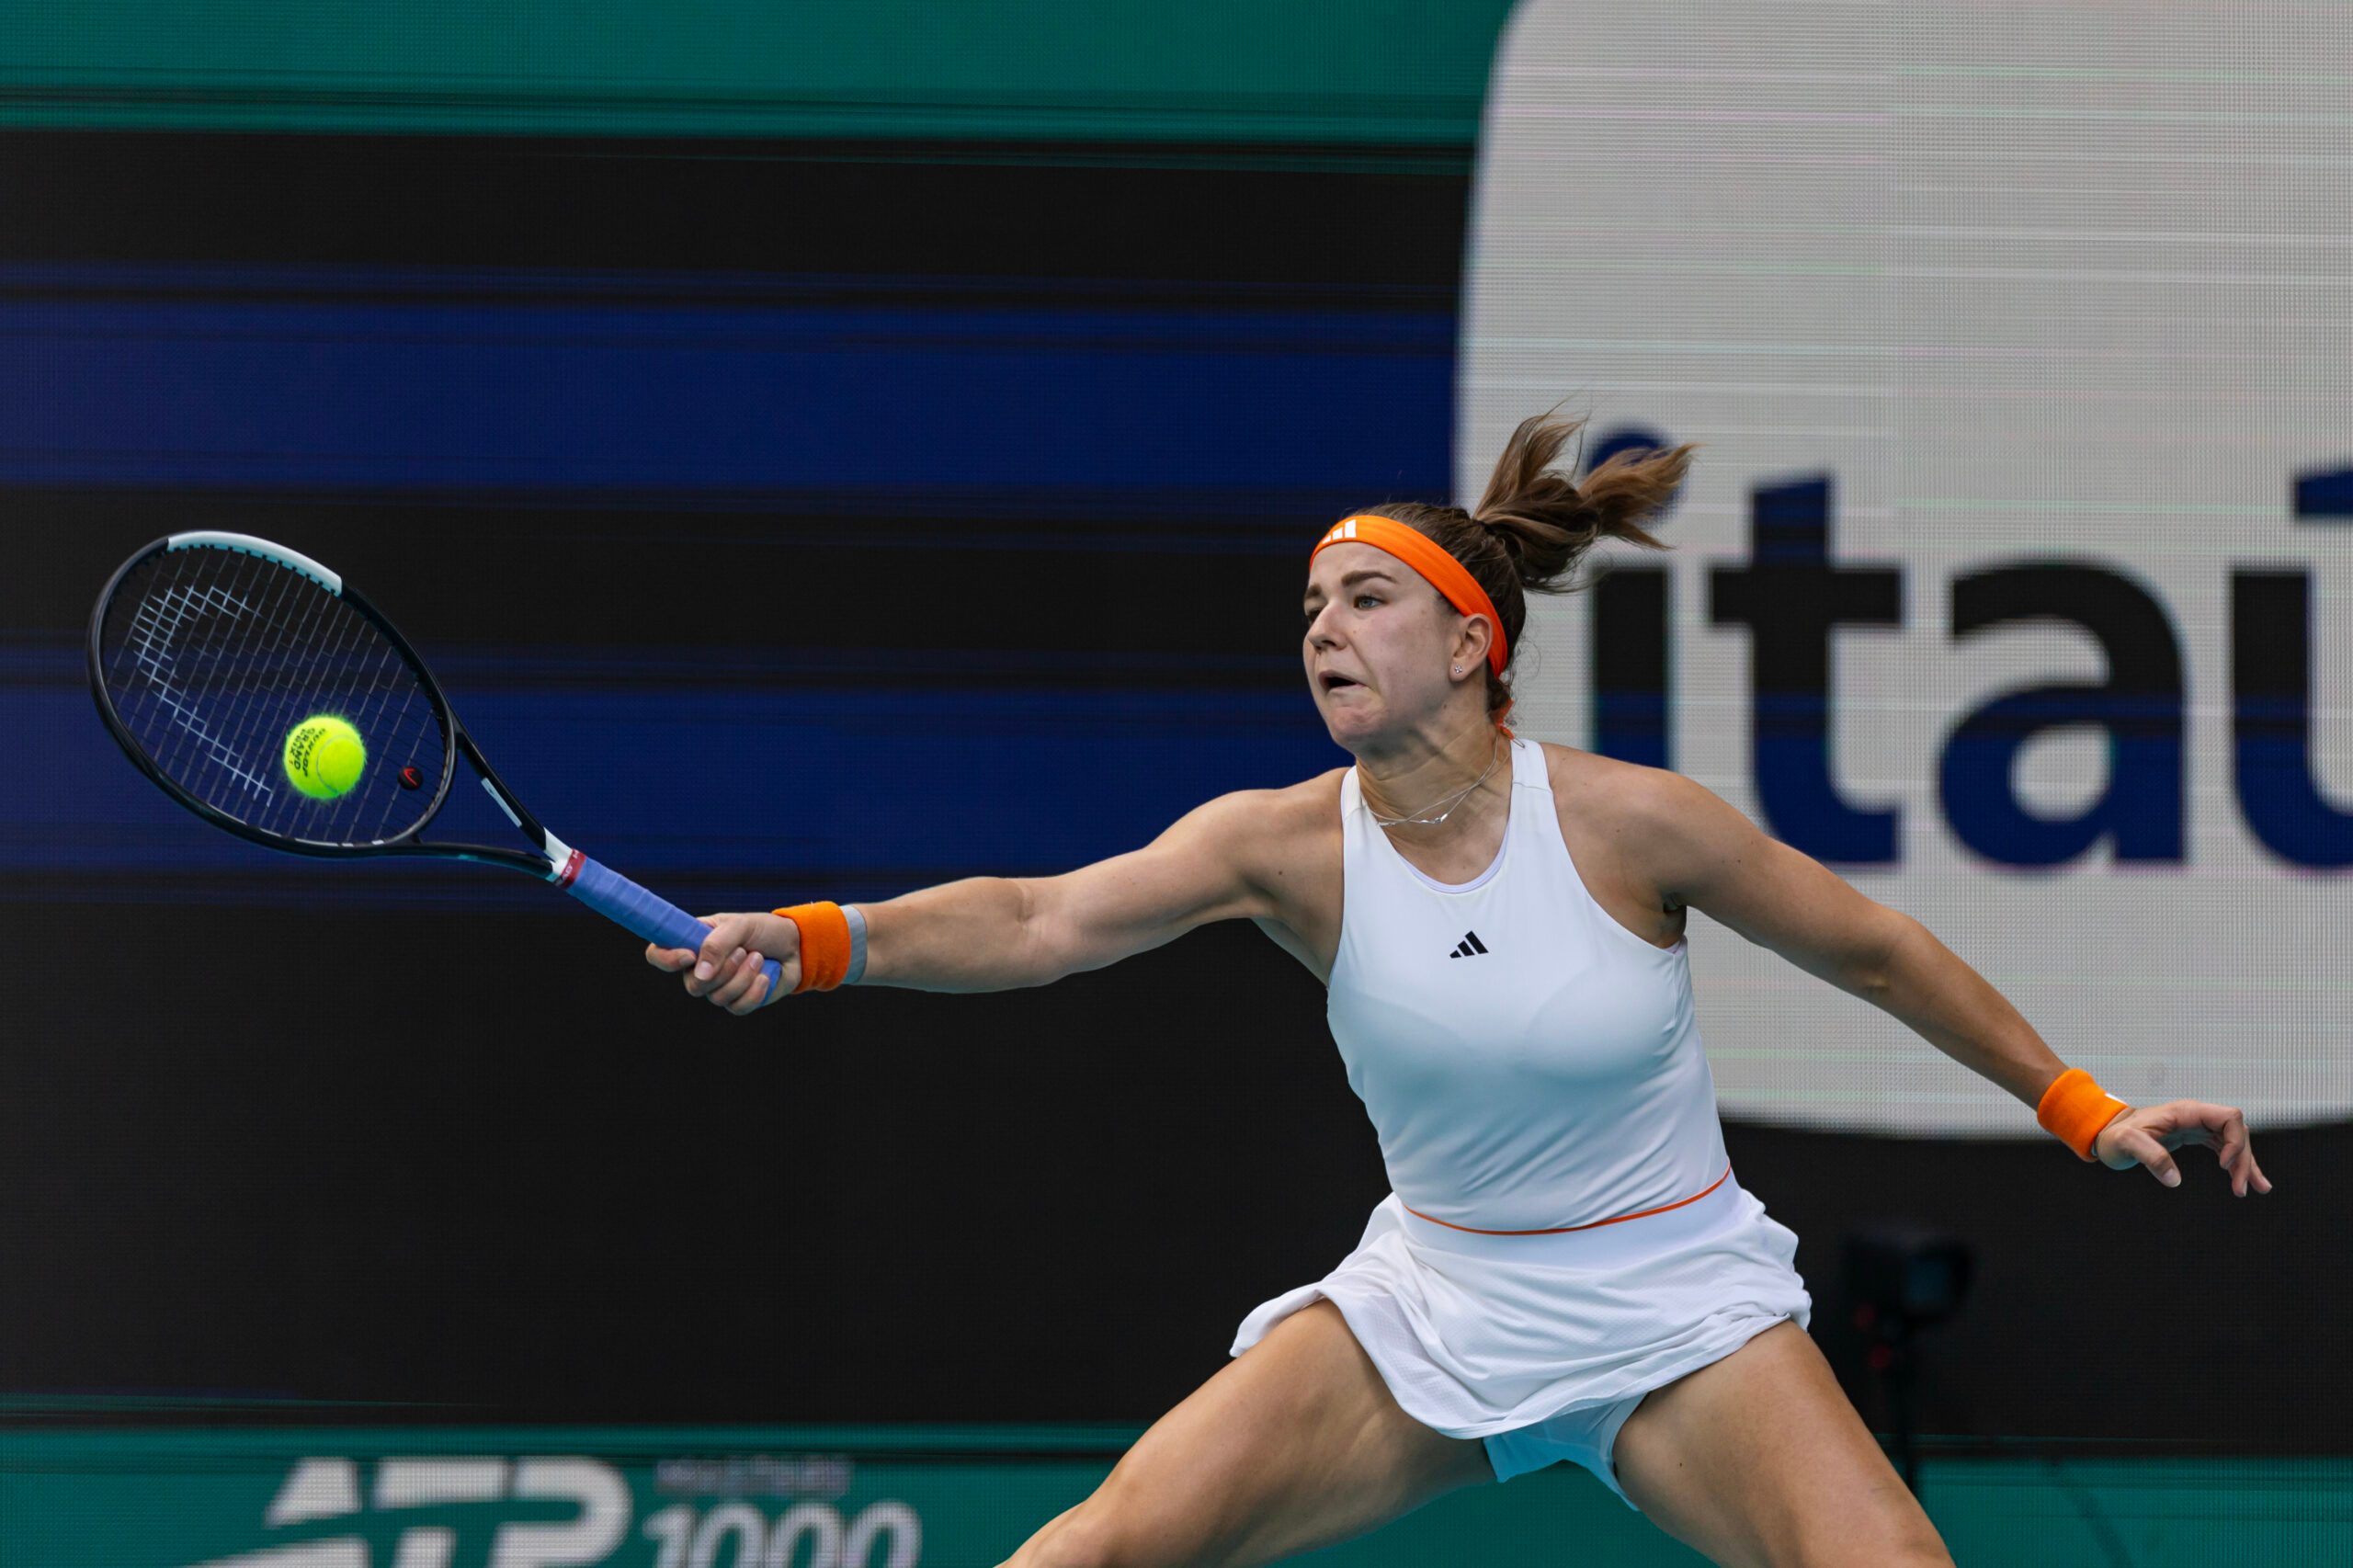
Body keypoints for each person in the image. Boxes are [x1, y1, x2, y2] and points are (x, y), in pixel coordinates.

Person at [646, 410, 2273, 1568]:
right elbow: (1038, 918)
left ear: (1474, 641)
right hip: (1435, 1298)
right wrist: (818, 936)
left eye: (1366, 599)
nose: (1324, 630)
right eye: (1310, 607)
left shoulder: (1633, 822)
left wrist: (2080, 1104)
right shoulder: (1285, 844)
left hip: (1676, 1304)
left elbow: (1876, 949)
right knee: (1103, 1545)